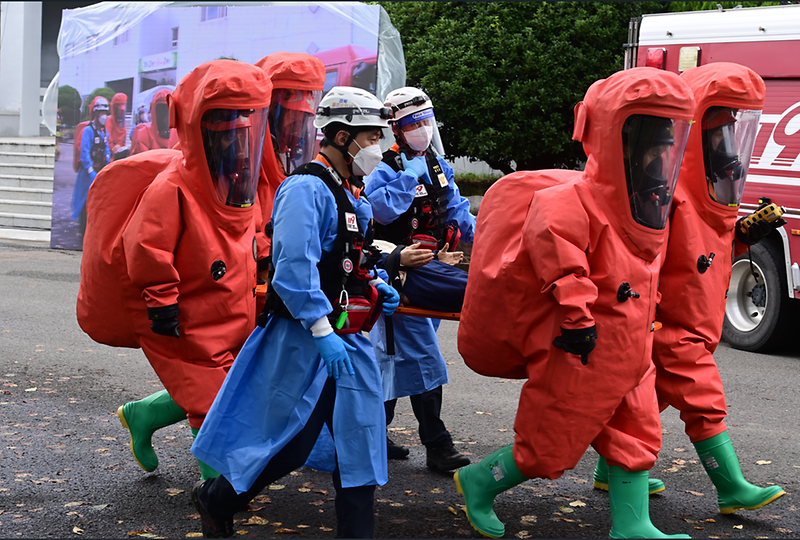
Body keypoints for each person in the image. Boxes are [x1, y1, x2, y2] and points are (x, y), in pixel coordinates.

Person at [454, 67, 696, 539]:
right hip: (581, 347)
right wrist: (579, 319)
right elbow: (564, 267)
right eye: (652, 140)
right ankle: (480, 481)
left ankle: (632, 524)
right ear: (617, 138)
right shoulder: (566, 202)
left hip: (630, 347)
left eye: (667, 143)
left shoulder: (648, 202)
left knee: (637, 434)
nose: (660, 153)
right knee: (548, 442)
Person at [190, 86, 400, 539]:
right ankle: (217, 499)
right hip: (304, 340)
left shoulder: (348, 190)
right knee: (289, 442)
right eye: (371, 136)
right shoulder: (306, 189)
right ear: (343, 137)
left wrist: (376, 282)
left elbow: (346, 260)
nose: (377, 147)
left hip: (348, 340)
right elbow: (292, 267)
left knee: (361, 444)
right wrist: (322, 330)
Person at [594, 62, 785, 515]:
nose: (726, 146)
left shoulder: (707, 194)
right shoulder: (669, 190)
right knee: (702, 397)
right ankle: (731, 486)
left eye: (730, 132)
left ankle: (609, 469)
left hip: (693, 317)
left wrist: (744, 235)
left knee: (649, 398)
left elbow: (705, 251)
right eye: (717, 134)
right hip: (671, 320)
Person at [116, 59, 272, 481]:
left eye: (244, 132)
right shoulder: (172, 187)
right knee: (209, 399)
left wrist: (265, 258)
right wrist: (162, 300)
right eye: (225, 133)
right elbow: (146, 246)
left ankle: (144, 415)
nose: (237, 144)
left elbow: (248, 235)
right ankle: (215, 494)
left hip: (231, 311)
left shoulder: (237, 183)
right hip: (189, 314)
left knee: (223, 388)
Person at [363, 87, 474, 472]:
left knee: (393, 358)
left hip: (428, 266)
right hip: (396, 274)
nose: (423, 130)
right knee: (417, 355)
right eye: (414, 124)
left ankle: (374, 430)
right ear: (396, 128)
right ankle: (437, 445)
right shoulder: (387, 168)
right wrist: (409, 177)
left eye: (427, 121)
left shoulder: (439, 166)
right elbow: (378, 210)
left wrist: (495, 236)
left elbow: (458, 212)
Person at [252, 52, 325, 301]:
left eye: (303, 119)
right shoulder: (245, 154)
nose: (295, 127)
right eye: (289, 117)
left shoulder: (287, 154)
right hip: (256, 272)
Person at [71, 95, 110, 239]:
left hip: (99, 171)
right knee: (85, 200)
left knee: (98, 200)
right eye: (101, 113)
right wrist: (90, 170)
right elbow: (84, 152)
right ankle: (83, 230)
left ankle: (94, 229)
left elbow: (107, 149)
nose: (104, 116)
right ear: (95, 114)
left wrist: (108, 165)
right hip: (87, 173)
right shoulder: (88, 131)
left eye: (105, 113)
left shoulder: (104, 132)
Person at [130, 88, 179, 155]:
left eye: (167, 111)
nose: (164, 117)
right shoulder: (143, 134)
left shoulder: (178, 135)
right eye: (161, 111)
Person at [106, 92, 130, 161]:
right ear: (115, 109)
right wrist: (114, 148)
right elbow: (108, 140)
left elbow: (123, 140)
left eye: (123, 111)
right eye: (120, 110)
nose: (121, 112)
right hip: (111, 158)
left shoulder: (122, 123)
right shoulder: (109, 121)